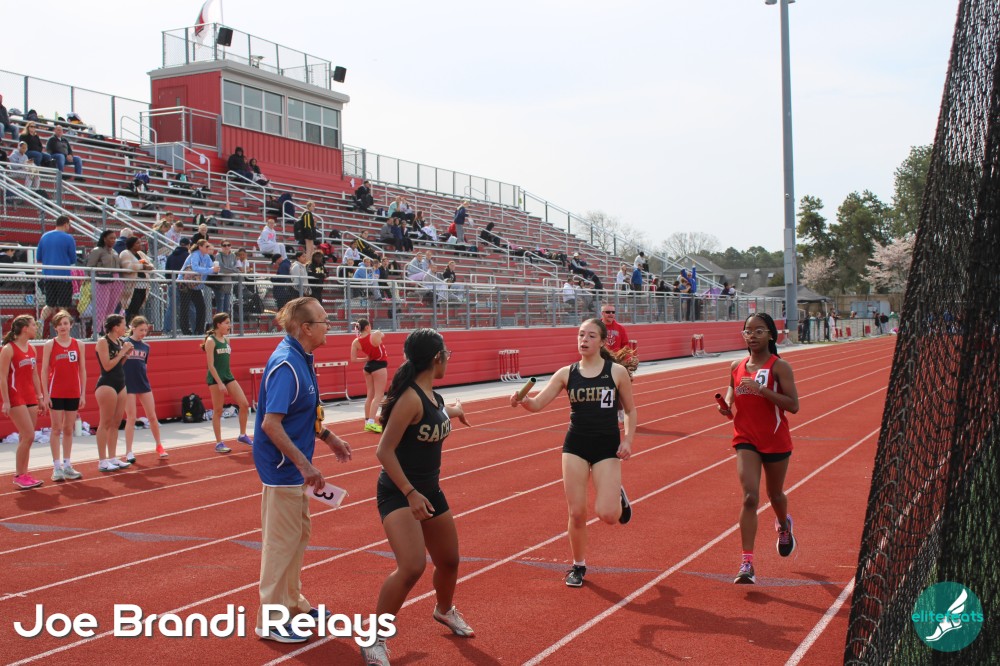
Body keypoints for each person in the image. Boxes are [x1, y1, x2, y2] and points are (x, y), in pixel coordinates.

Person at [360, 328, 473, 665]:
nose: (448, 358)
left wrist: (456, 410)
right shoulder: (410, 398)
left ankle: (444, 610)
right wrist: (410, 493)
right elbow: (384, 451)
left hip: (429, 490)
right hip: (399, 492)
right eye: (446, 353)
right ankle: (374, 637)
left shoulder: (431, 395)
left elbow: (438, 412)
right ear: (436, 358)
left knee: (449, 561)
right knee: (411, 566)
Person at [252, 297, 352, 643]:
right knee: (281, 544)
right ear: (306, 328)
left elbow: (303, 412)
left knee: (297, 537)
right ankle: (271, 619)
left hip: (295, 469)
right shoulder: (287, 364)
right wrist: (304, 464)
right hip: (283, 470)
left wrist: (327, 436)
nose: (329, 325)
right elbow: (271, 424)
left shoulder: (302, 357)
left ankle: (292, 603)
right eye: (324, 321)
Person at [510, 318, 635, 588]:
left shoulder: (616, 372)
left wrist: (628, 440)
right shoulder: (566, 373)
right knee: (576, 512)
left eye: (591, 336)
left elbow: (630, 410)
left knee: (608, 515)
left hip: (606, 446)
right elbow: (537, 404)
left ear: (602, 341)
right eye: (580, 335)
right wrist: (523, 400)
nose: (584, 340)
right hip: (575, 445)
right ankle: (578, 565)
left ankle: (617, 495)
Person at [717, 313, 800, 585]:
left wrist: (762, 390)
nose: (752, 336)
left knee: (775, 495)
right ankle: (747, 563)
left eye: (759, 331)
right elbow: (731, 393)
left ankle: (784, 526)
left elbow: (793, 405)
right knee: (750, 498)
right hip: (746, 439)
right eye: (748, 331)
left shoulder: (780, 367)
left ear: (771, 335)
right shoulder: (736, 366)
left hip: (775, 439)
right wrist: (726, 406)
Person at [40, 310, 87, 481]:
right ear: (55, 327)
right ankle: (56, 467)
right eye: (59, 324)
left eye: (65, 323)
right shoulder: (50, 344)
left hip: (73, 392)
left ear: (71, 325)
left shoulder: (78, 344)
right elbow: (44, 370)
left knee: (68, 429)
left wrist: (83, 394)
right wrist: (45, 394)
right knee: (56, 428)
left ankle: (67, 465)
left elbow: (82, 370)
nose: (62, 327)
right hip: (56, 392)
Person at [1, 315, 45, 489]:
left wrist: (40, 397)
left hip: (30, 396)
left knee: (25, 437)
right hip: (15, 396)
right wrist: (6, 401)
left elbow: (34, 374)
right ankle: (19, 475)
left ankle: (25, 473)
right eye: (34, 325)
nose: (36, 327)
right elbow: (2, 377)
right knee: (28, 435)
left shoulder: (32, 348)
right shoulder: (8, 349)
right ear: (25, 328)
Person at [203, 313, 253, 454]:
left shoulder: (227, 340)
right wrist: (220, 383)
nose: (229, 326)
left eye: (229, 323)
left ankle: (242, 435)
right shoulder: (211, 341)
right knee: (218, 410)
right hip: (215, 379)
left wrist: (226, 380)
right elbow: (211, 366)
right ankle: (219, 443)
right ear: (218, 324)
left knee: (244, 404)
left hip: (228, 376)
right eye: (226, 323)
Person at [121, 316, 168, 461]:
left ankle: (159, 445)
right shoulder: (124, 343)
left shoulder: (146, 347)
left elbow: (144, 366)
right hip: (127, 384)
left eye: (145, 330)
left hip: (143, 383)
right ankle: (129, 451)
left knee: (152, 416)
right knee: (131, 417)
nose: (143, 333)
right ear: (133, 328)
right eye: (141, 330)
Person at [94, 315, 134, 472]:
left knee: (116, 423)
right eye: (124, 325)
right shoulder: (103, 342)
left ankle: (112, 457)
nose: (126, 328)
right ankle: (102, 460)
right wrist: (122, 351)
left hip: (120, 383)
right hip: (107, 384)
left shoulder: (120, 341)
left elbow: (118, 364)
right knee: (105, 422)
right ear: (115, 327)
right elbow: (107, 366)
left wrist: (126, 355)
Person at [36, 215, 77, 333]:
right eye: (69, 225)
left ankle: (40, 322)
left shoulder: (44, 236)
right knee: (63, 305)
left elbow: (39, 257)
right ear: (65, 224)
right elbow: (73, 259)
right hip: (63, 277)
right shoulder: (68, 238)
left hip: (48, 276)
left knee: (50, 304)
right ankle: (63, 327)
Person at [350, 319, 388, 433]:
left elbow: (353, 359)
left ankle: (367, 422)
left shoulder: (356, 341)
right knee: (379, 395)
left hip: (368, 367)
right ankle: (371, 422)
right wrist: (378, 333)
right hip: (379, 365)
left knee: (370, 395)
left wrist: (366, 359)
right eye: (370, 326)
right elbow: (382, 335)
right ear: (367, 327)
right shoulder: (375, 335)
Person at [86, 230, 123, 332]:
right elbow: (89, 267)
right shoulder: (97, 250)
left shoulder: (114, 252)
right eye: (111, 238)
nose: (113, 240)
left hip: (116, 281)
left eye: (115, 238)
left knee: (111, 309)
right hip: (102, 281)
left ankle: (108, 331)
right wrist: (98, 276)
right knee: (101, 308)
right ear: (104, 239)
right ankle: (97, 331)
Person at [119, 236, 155, 324]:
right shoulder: (125, 253)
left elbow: (150, 265)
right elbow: (128, 267)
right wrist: (142, 266)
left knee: (137, 307)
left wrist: (145, 266)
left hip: (143, 285)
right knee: (131, 307)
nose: (140, 244)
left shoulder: (140, 254)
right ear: (132, 244)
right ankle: (128, 325)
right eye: (138, 243)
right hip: (132, 285)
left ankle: (134, 326)